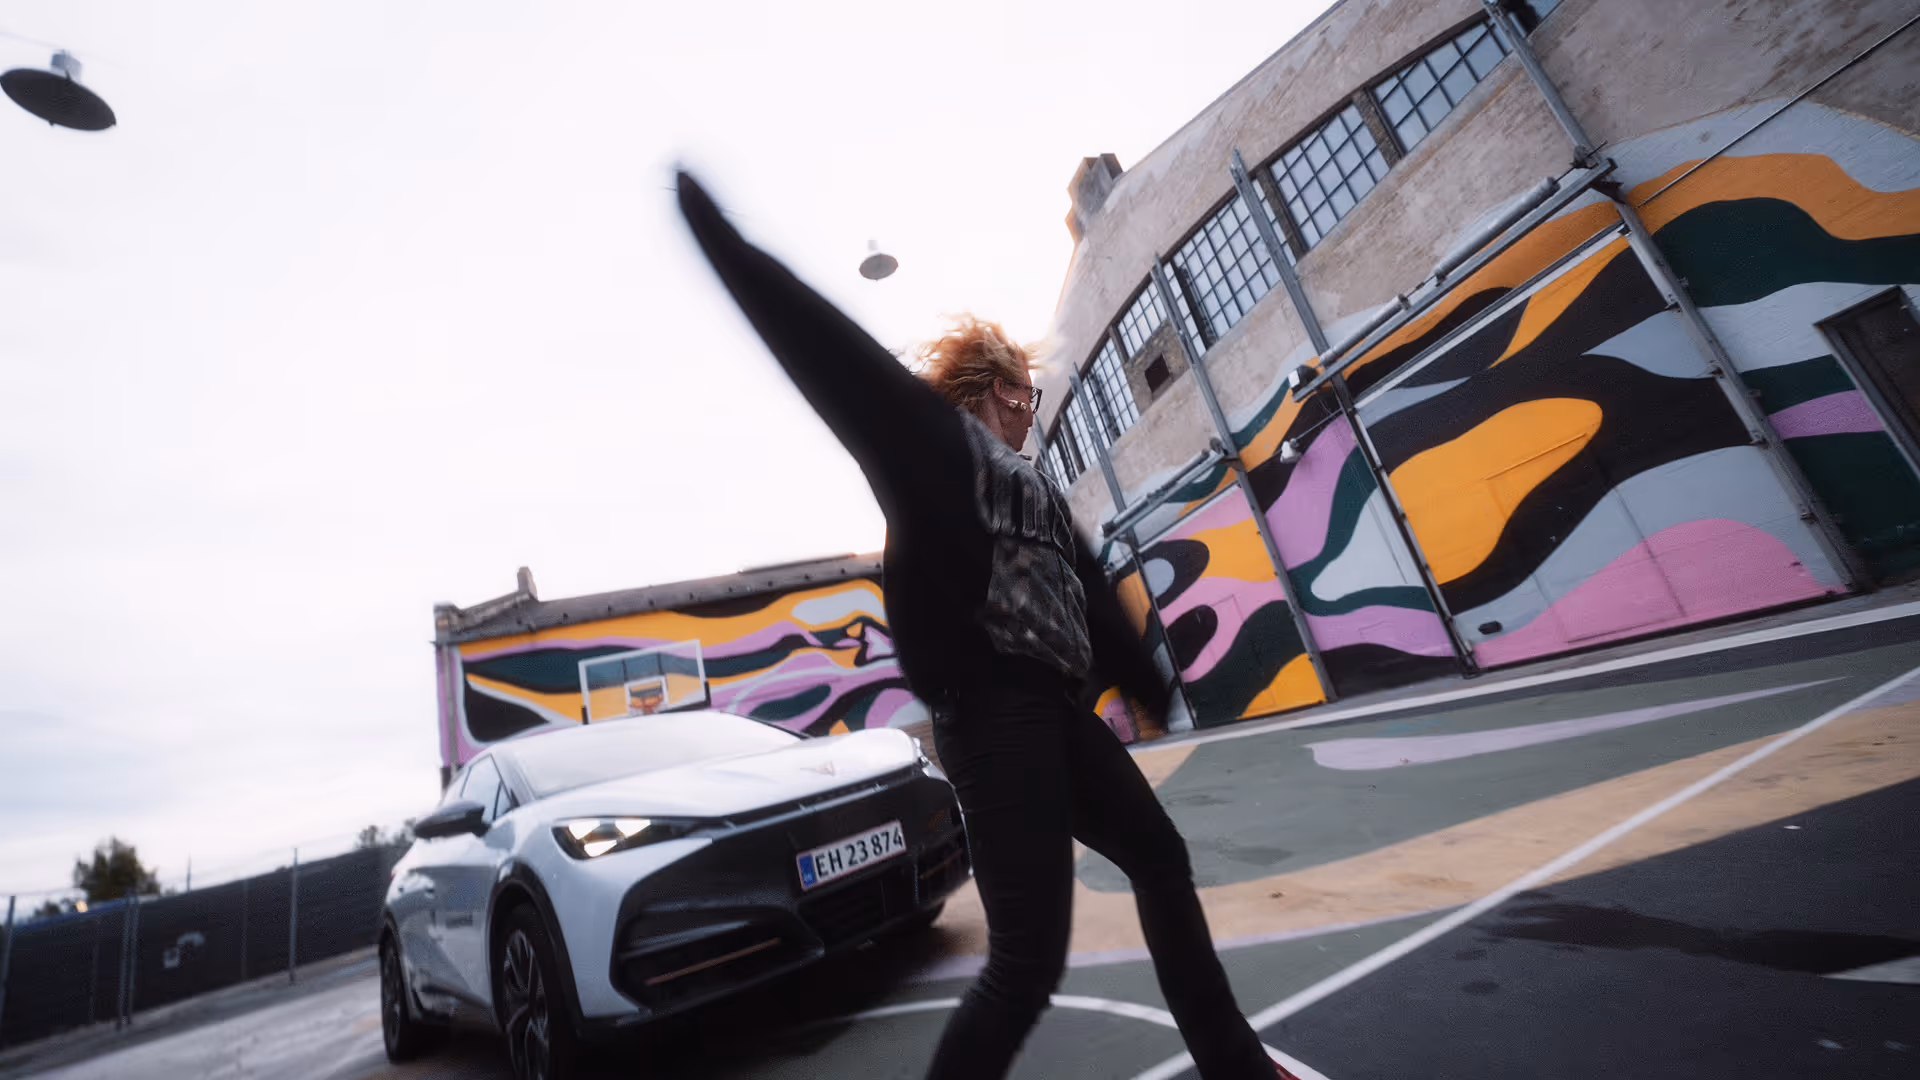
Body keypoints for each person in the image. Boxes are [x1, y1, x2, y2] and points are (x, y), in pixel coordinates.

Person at [677, 173, 1291, 1080]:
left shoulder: (1027, 481)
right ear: (1000, 388)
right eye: (1027, 396)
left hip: (1051, 710)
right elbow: (830, 349)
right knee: (1026, 963)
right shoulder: (929, 446)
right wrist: (724, 241)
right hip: (993, 716)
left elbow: (1080, 571)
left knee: (1159, 856)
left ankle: (1232, 1061)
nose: (1032, 413)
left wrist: (1140, 676)